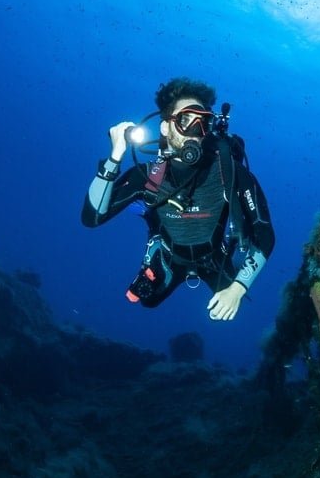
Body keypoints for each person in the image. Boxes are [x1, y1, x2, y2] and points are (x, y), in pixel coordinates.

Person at [82, 77, 275, 321]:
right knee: (148, 302)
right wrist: (115, 156)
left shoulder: (229, 172)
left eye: (203, 122)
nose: (195, 131)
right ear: (165, 127)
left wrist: (237, 289)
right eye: (185, 120)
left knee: (235, 313)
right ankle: (156, 252)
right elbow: (92, 217)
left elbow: (264, 234)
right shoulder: (149, 176)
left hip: (215, 258)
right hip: (168, 258)